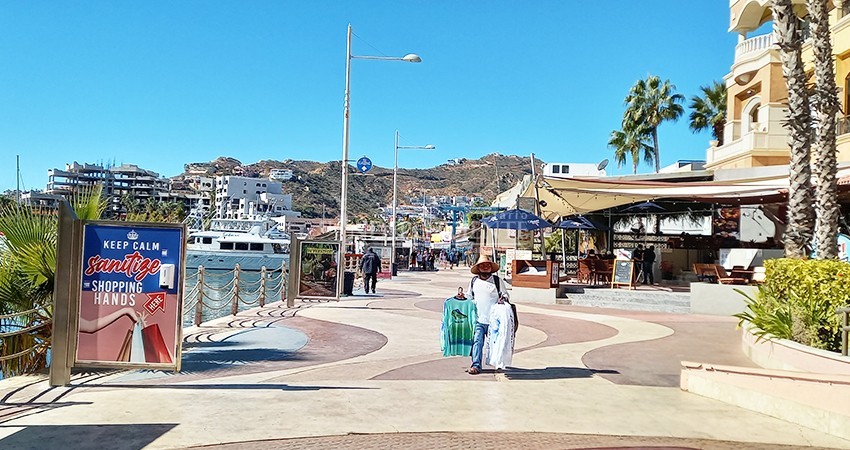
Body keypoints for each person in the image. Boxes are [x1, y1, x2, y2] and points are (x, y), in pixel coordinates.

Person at [466, 254, 509, 375]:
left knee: (495, 343)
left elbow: (505, 295)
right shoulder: (474, 281)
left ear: (491, 267)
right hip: (479, 319)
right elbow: (469, 296)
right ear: (478, 268)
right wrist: (461, 298)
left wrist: (503, 299)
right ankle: (476, 365)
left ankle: (497, 363)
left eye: (487, 265)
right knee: (477, 342)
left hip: (494, 320)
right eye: (482, 265)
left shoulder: (497, 281)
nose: (485, 267)